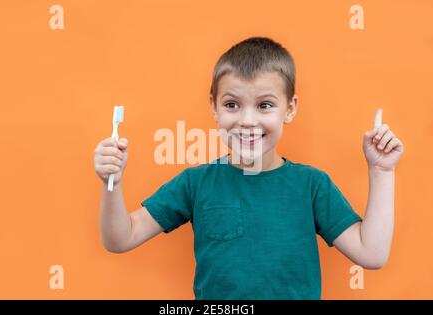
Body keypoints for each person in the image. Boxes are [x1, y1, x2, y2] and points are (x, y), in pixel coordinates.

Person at [93, 37, 404, 299]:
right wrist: (113, 184)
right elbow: (121, 238)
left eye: (264, 105)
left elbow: (372, 253)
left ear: (290, 108)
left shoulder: (312, 185)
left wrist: (382, 172)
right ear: (214, 106)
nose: (247, 120)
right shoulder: (194, 183)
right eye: (232, 105)